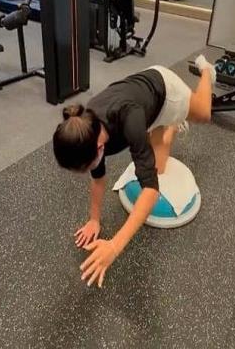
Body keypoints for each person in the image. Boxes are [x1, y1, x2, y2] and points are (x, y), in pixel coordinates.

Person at [52, 56, 217, 288]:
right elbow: (98, 179)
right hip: (143, 103)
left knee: (204, 113)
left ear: (98, 148)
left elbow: (151, 190)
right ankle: (170, 125)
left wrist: (114, 246)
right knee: (159, 165)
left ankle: (206, 70)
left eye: (86, 166)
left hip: (165, 92)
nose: (89, 170)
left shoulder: (129, 120)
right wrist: (94, 220)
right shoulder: (87, 130)